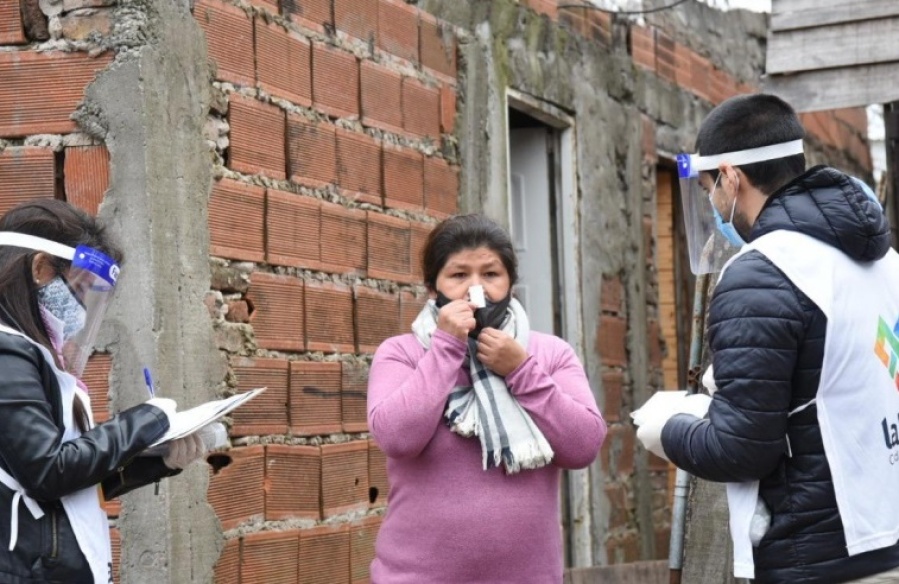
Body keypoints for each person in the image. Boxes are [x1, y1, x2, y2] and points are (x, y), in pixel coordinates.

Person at [633, 93, 899, 583]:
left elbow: (742, 450)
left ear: (731, 177)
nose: (713, 203)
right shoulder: (885, 261)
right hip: (884, 535)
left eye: (711, 187)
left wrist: (668, 427)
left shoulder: (764, 271)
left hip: (819, 556)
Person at [367, 214, 606, 583]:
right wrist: (446, 349)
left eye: (491, 275)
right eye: (459, 275)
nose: (474, 289)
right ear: (433, 288)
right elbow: (397, 438)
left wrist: (521, 371)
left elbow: (584, 445)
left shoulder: (549, 354)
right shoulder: (402, 353)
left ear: (510, 283)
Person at [0, 199, 207, 584]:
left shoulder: (32, 352)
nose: (82, 306)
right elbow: (47, 472)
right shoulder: (5, 349)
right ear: (41, 268)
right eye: (80, 287)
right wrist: (150, 417)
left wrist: (158, 462)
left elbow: (66, 489)